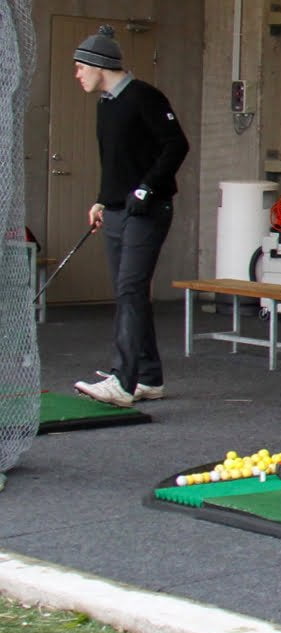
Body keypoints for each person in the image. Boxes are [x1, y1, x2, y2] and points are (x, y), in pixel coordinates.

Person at [71, 26, 189, 409]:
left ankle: (123, 382)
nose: (77, 75)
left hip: (148, 210)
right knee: (130, 292)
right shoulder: (106, 103)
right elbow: (117, 163)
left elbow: (176, 145)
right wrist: (103, 201)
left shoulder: (145, 97)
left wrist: (146, 188)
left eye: (79, 67)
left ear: (97, 65)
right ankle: (149, 377)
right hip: (118, 211)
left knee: (130, 290)